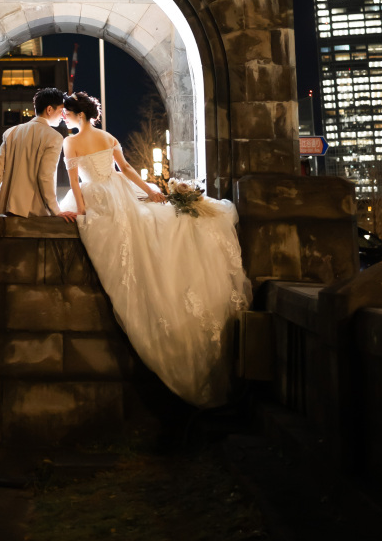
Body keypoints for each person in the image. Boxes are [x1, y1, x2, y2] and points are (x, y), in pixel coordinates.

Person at [60, 90, 251, 408]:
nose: (64, 117)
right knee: (148, 232)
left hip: (98, 196)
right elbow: (127, 171)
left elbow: (76, 185)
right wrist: (151, 192)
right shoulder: (108, 137)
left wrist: (80, 211)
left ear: (79, 115)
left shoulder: (71, 143)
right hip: (120, 192)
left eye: (66, 113)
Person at [0, 86, 78, 220]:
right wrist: (56, 210)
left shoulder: (11, 132)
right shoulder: (54, 137)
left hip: (7, 209)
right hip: (35, 212)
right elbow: (45, 176)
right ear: (49, 109)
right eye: (61, 111)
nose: (63, 116)